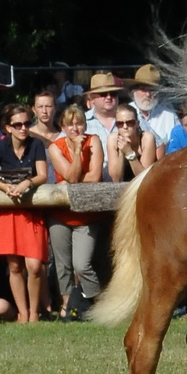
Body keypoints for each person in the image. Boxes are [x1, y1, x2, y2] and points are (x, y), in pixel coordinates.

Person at [47, 103, 105, 318]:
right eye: (70, 125)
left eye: (79, 123)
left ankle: (95, 304)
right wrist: (76, 175)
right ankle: (66, 307)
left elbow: (94, 177)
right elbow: (74, 177)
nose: (75, 128)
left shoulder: (94, 141)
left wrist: (79, 150)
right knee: (63, 266)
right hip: (60, 214)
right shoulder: (55, 147)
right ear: (63, 127)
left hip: (86, 215)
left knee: (82, 264)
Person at [0, 102, 50, 320]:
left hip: (31, 212)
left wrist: (27, 183)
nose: (23, 128)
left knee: (34, 265)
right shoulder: (0, 147)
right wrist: (4, 186)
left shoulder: (36, 145)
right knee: (14, 266)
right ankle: (24, 314)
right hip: (7, 212)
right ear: (8, 127)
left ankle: (34, 313)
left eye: (27, 123)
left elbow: (43, 175)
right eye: (18, 125)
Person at [130, 64, 178, 156]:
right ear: (134, 91)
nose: (148, 95)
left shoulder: (169, 115)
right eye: (143, 89)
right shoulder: (125, 114)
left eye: (152, 90)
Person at [106, 100, 157, 181]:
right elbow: (116, 178)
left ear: (137, 123)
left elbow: (143, 178)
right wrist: (121, 152)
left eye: (130, 123)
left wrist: (129, 153)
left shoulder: (146, 138)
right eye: (120, 123)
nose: (125, 127)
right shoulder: (112, 139)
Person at [84, 71, 126, 152]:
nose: (109, 97)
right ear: (92, 98)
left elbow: (157, 144)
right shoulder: (81, 121)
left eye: (113, 93)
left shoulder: (131, 117)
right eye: (103, 94)